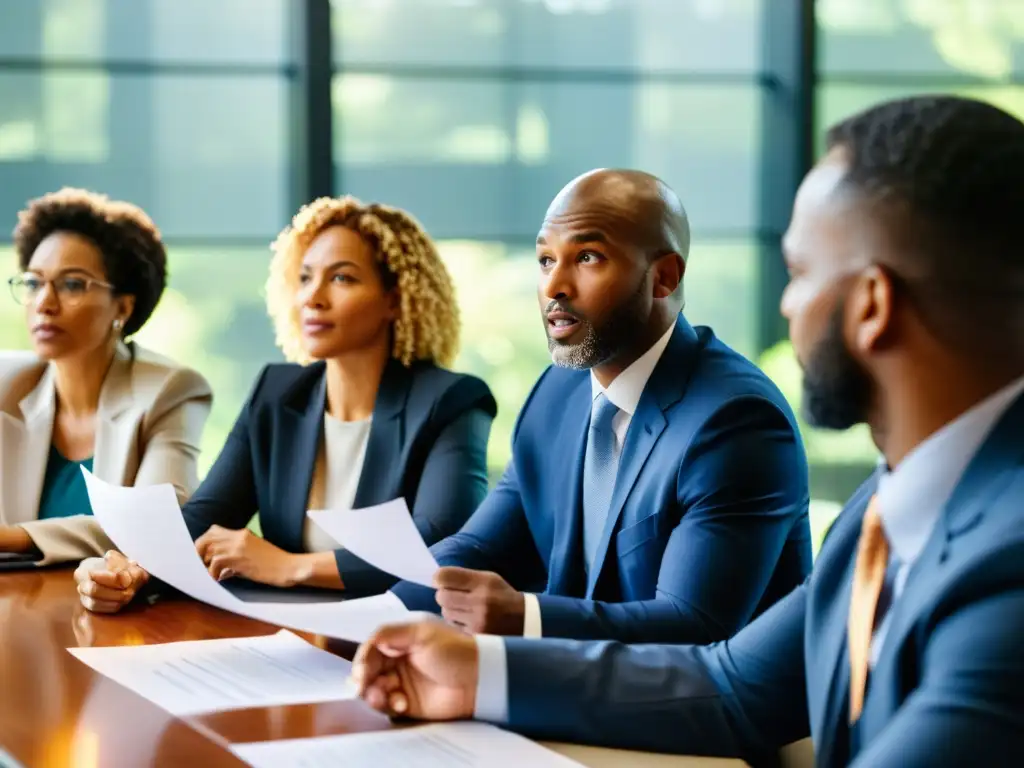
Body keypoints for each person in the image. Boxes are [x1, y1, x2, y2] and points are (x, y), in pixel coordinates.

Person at [353, 95, 1024, 767]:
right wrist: (480, 676)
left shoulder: (1006, 563)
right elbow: (733, 686)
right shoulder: (882, 510)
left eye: (797, 274)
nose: (786, 305)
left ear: (872, 305)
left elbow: (701, 635)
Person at [390, 168, 812, 643]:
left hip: (697, 711)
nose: (555, 287)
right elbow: (479, 548)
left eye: (587, 257)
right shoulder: (557, 392)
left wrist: (527, 617)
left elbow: (694, 626)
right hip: (570, 695)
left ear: (664, 277)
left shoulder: (736, 422)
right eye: (546, 260)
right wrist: (371, 619)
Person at [74, 195, 496, 611]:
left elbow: (440, 541)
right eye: (306, 277)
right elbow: (206, 515)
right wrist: (129, 571)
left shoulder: (452, 401)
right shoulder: (277, 394)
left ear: (394, 298)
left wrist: (290, 567)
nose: (313, 297)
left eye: (342, 278)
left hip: (401, 637)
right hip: (287, 635)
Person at [0, 188, 211, 567]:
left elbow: (158, 523)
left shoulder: (170, 390)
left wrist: (14, 537)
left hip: (118, 614)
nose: (44, 303)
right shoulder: (5, 385)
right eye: (33, 283)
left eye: (72, 284)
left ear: (123, 307)